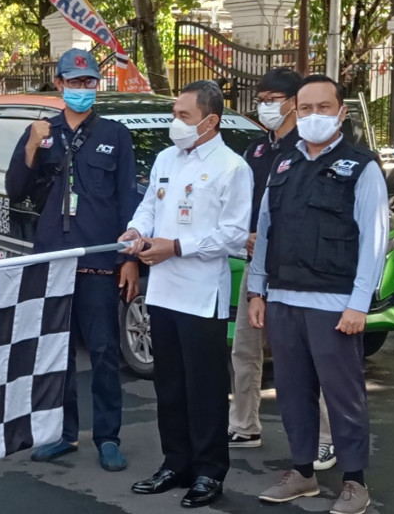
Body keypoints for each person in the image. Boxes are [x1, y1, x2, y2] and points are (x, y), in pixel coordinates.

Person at [247, 75, 386, 514]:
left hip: (333, 304)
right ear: (295, 112)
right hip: (285, 299)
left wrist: (358, 304)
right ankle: (303, 473)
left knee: (343, 396)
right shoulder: (283, 165)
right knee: (291, 391)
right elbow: (265, 232)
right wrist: (257, 291)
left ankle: (354, 482)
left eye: (323, 107)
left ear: (341, 112)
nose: (313, 116)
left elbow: (374, 239)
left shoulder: (361, 167)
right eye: (305, 109)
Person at [5, 48, 140, 473]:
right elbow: (16, 190)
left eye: (89, 82)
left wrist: (129, 259)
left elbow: (128, 202)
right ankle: (63, 434)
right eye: (75, 82)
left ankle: (108, 437)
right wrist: (31, 143)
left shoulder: (115, 134)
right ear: (59, 83)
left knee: (103, 351)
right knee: (56, 353)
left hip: (100, 258)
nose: (83, 89)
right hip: (53, 258)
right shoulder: (43, 132)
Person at [120, 80, 252, 508]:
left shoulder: (233, 167)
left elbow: (233, 236)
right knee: (170, 385)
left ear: (210, 121)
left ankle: (209, 472)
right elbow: (150, 206)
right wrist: (137, 231)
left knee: (205, 387)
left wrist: (177, 246)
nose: (175, 124)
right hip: (163, 292)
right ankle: (175, 462)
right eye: (174, 114)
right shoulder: (166, 158)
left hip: (200, 295)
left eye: (184, 117)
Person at [228, 68, 337, 470]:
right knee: (245, 347)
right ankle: (244, 423)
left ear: (292, 102)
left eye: (273, 98)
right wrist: (245, 235)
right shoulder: (256, 150)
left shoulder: (310, 148)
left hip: (300, 267)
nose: (265, 106)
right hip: (258, 262)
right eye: (261, 98)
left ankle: (327, 437)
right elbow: (241, 203)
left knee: (312, 356)